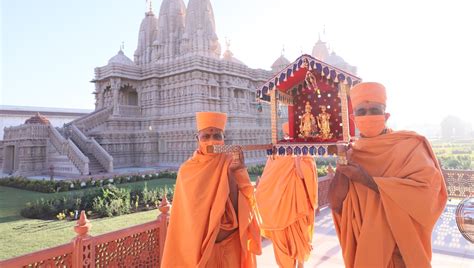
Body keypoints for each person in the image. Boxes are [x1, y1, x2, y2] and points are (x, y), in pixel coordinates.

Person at [329, 82, 447, 268]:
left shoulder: (410, 146)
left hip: (402, 252)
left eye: (374, 110)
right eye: (361, 112)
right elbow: (335, 205)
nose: (368, 116)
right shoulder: (351, 152)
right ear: (353, 118)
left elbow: (428, 193)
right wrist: (342, 168)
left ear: (386, 116)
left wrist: (366, 180)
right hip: (366, 250)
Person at [161, 112, 261, 267]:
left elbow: (244, 210)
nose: (211, 141)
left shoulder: (231, 162)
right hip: (204, 253)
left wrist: (234, 173)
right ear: (197, 139)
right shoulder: (187, 170)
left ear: (224, 139)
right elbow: (187, 219)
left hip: (231, 246)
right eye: (206, 136)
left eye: (217, 136)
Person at [256, 122, 318, 268]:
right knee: (283, 249)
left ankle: (300, 265)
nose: (289, 139)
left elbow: (306, 175)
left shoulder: (304, 152)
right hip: (277, 209)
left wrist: (298, 159)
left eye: (292, 136)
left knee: (301, 242)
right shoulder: (276, 154)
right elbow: (266, 181)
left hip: (298, 207)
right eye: (287, 137)